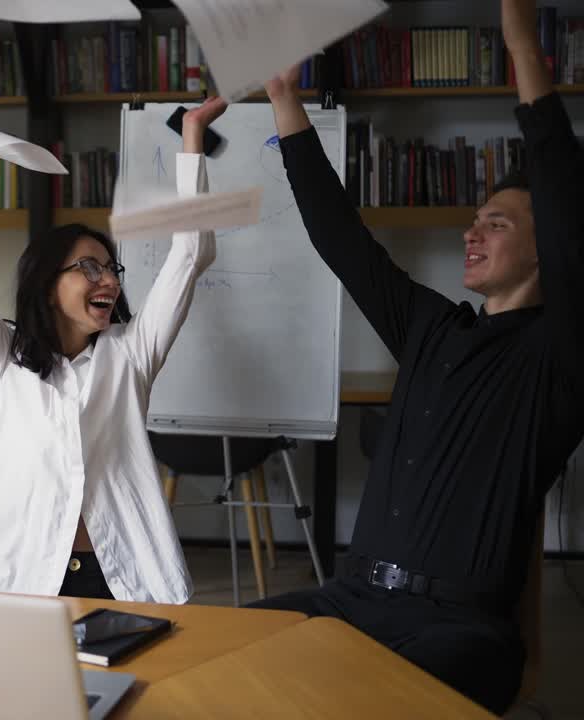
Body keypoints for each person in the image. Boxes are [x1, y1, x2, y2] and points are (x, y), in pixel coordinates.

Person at [248, 1, 582, 712]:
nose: (472, 232)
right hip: (349, 598)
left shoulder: (561, 356)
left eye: (496, 222)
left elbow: (564, 192)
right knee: (211, 650)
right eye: (473, 220)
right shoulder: (432, 325)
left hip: (460, 628)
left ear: (546, 247)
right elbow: (343, 241)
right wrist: (283, 98)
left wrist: (522, 45)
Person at [0, 63, 222, 602]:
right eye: (89, 268)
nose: (107, 280)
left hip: (122, 570)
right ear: (47, 283)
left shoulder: (131, 355)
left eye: (111, 269)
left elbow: (191, 252)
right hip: (25, 572)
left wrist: (192, 140)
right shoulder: (4, 356)